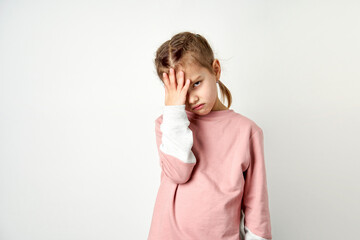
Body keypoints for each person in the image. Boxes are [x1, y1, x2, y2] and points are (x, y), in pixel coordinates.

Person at [148, 31, 272, 240]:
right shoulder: (168, 124)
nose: (192, 98)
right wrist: (174, 111)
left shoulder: (247, 131)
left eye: (196, 83)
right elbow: (178, 173)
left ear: (215, 70)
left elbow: (256, 204)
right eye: (181, 92)